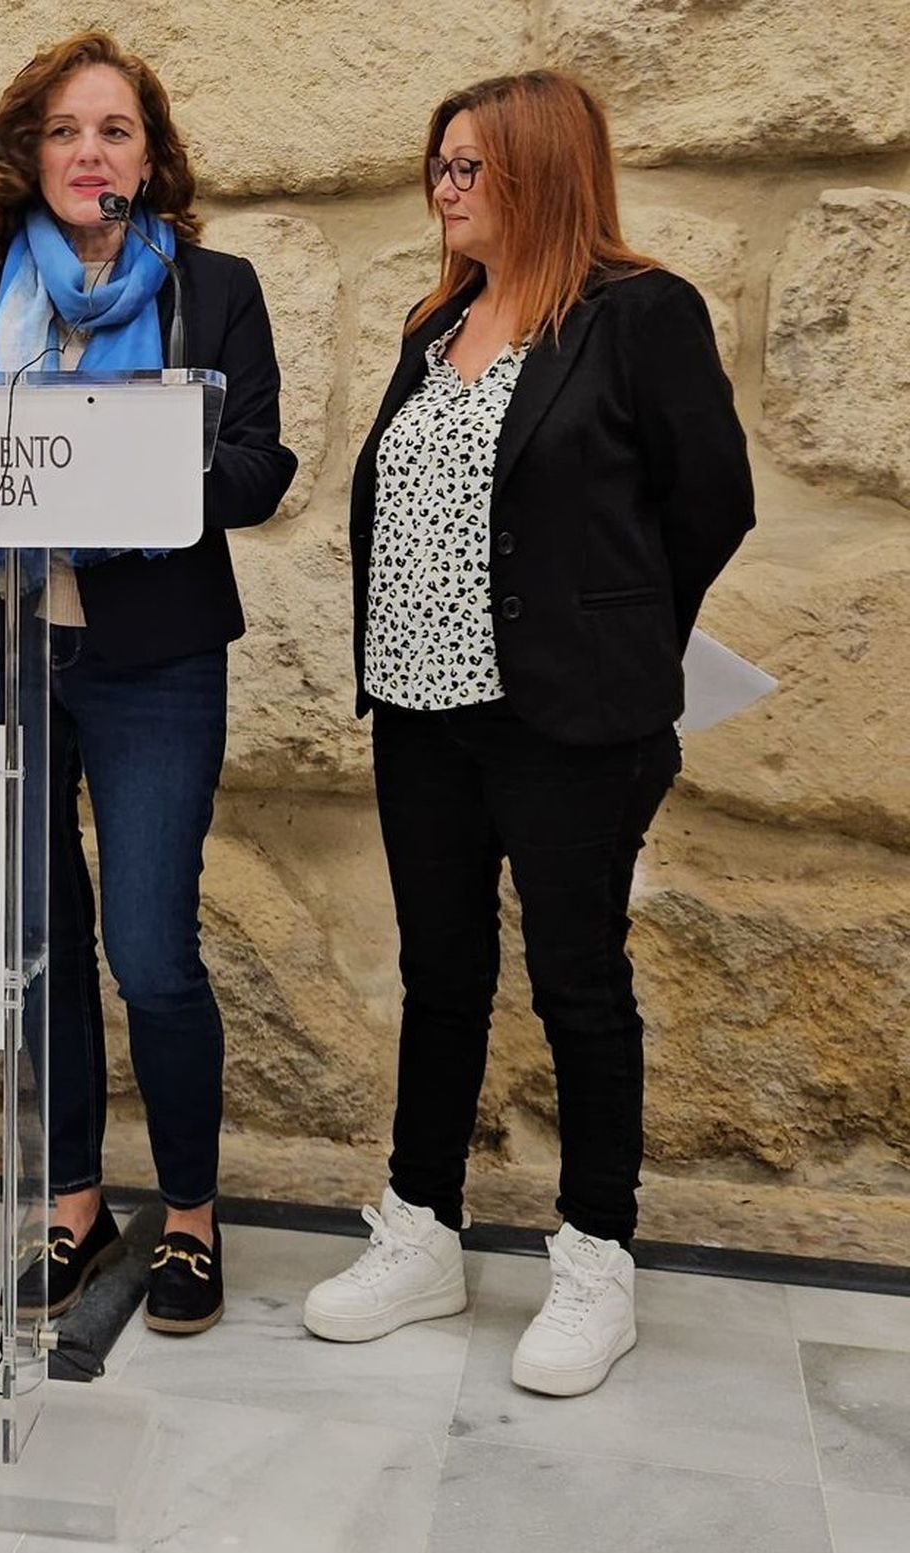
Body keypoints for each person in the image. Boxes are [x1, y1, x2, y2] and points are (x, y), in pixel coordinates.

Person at [303, 71, 754, 1393]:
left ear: (544, 171)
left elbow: (709, 504)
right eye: (437, 165)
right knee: (440, 976)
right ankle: (424, 1230)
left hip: (570, 718)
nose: (443, 189)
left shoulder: (639, 315)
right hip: (419, 709)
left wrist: (607, 630)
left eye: (468, 167)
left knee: (579, 982)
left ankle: (597, 1254)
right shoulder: (431, 325)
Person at [0, 32, 296, 1335]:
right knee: (33, 944)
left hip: (153, 661)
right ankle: (68, 1205)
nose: (91, 152)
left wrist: (144, 443)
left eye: (116, 130)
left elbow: (260, 470)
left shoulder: (215, 290)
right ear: (29, 155)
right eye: (67, 131)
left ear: (152, 156)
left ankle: (187, 1216)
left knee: (151, 948)